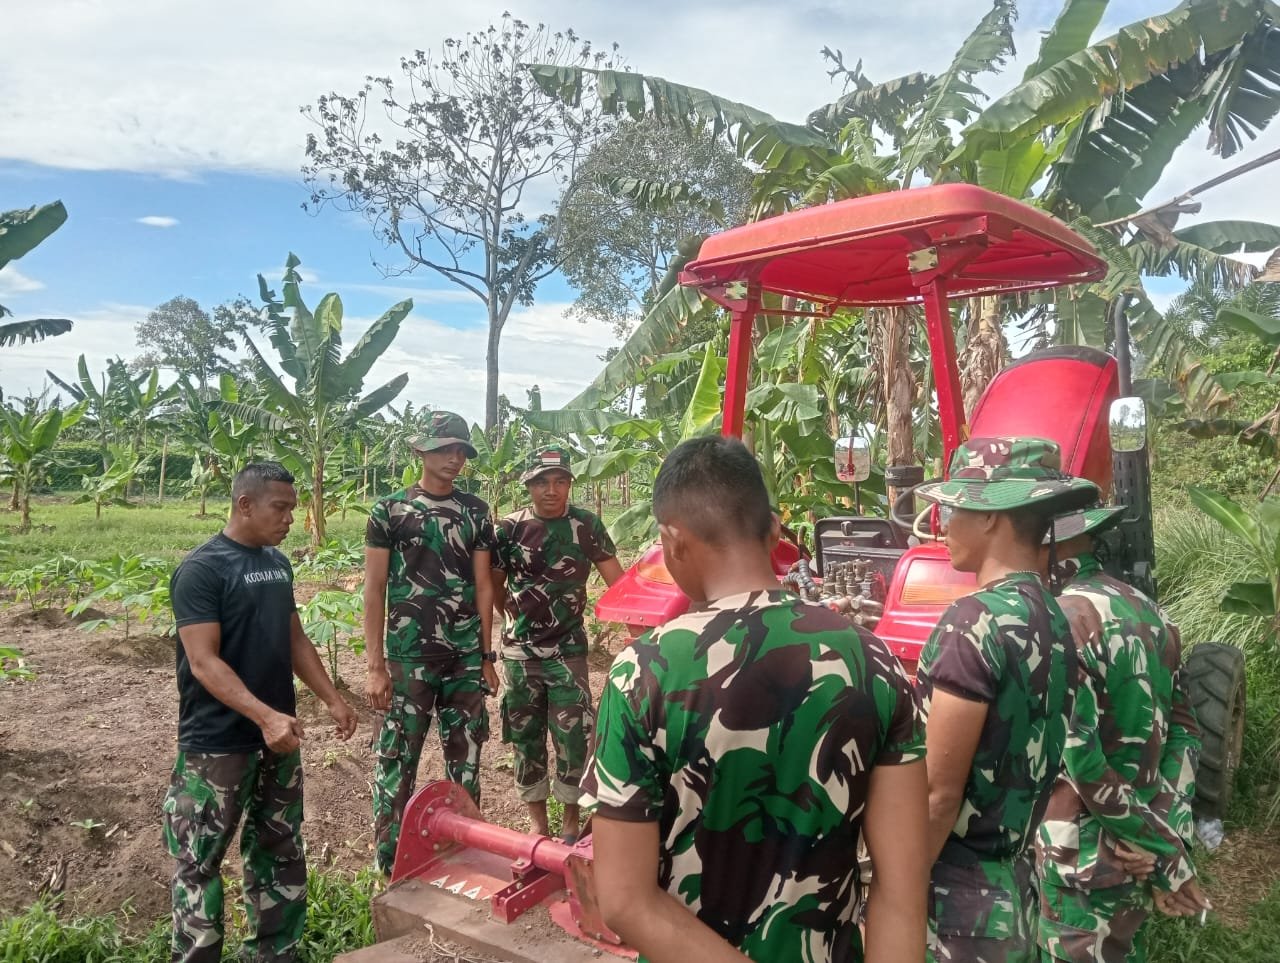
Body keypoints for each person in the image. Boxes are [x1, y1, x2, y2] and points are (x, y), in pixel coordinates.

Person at [581, 435, 930, 963]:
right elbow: (901, 893)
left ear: (672, 540)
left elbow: (625, 902)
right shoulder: (874, 662)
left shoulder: (645, 670)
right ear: (772, 529)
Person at [163, 462, 358, 963]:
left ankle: (276, 953)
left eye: (293, 508)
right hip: (218, 745)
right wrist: (264, 716)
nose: (290, 518)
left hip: (279, 738)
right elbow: (204, 662)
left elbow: (293, 636)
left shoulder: (276, 563)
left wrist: (330, 696)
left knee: (279, 851)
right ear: (244, 504)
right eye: (281, 507)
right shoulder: (202, 569)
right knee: (198, 862)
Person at [913, 437, 1099, 963]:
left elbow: (937, 796)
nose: (943, 523)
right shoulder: (1054, 615)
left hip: (956, 907)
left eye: (953, 507)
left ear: (992, 514)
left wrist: (895, 891)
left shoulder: (973, 622)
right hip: (1017, 885)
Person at [1035, 507, 1209, 962]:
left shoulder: (1062, 620)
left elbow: (1083, 762)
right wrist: (1166, 828)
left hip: (1079, 863)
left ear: (1045, 544)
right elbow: (1185, 733)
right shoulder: (1151, 612)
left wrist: (1162, 849)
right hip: (1135, 857)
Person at [363, 411, 498, 877]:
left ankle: (463, 858)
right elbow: (374, 588)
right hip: (408, 659)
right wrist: (375, 665)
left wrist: (486, 656)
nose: (455, 458)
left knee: (468, 763)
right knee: (397, 763)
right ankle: (390, 865)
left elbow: (484, 586)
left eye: (461, 450)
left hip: (463, 659)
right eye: (445, 449)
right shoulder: (390, 511)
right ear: (420, 451)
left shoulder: (476, 511)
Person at [491, 446, 623, 842]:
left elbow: (618, 581)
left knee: (574, 738)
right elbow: (495, 591)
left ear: (569, 484)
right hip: (519, 654)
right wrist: (518, 621)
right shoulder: (509, 529)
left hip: (568, 652)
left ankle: (568, 822)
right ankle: (537, 824)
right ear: (528, 485)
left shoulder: (586, 525)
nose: (552, 490)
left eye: (560, 481)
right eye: (542, 482)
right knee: (525, 738)